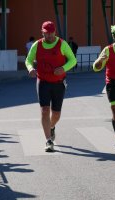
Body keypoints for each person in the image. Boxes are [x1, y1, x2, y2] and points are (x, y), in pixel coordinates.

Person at [25, 21, 77, 152]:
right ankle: (48, 140)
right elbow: (28, 59)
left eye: (51, 33)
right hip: (43, 81)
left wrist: (64, 68)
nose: (49, 36)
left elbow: (73, 60)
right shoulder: (37, 45)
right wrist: (30, 68)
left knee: (56, 113)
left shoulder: (62, 44)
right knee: (44, 110)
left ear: (55, 32)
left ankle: (51, 126)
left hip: (59, 83)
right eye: (46, 33)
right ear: (42, 32)